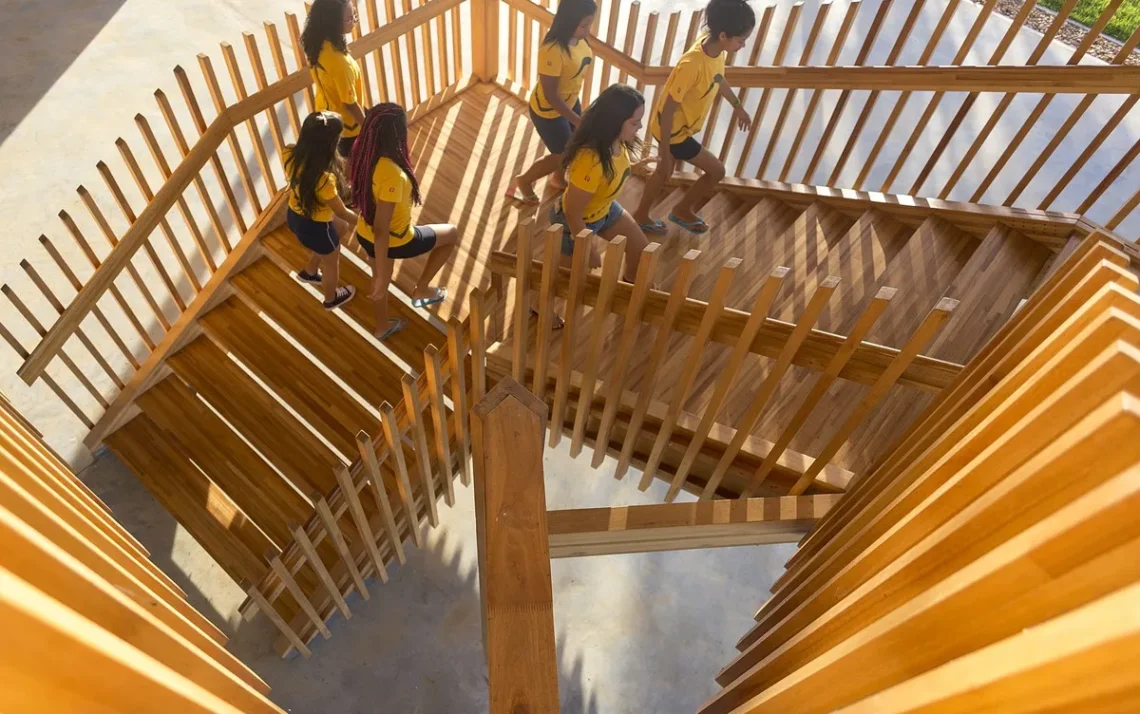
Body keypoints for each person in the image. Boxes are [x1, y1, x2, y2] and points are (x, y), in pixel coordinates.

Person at [633, 0, 755, 235]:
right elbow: (668, 110)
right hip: (673, 132)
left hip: (681, 129)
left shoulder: (714, 51)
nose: (743, 45)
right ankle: (675, 210)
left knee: (663, 173)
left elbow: (718, 78)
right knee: (715, 171)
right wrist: (665, 151)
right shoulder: (692, 64)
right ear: (723, 35)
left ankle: (651, 213)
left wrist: (738, 106)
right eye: (740, 40)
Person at [349, 104, 460, 341]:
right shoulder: (393, 175)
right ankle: (421, 289)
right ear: (396, 134)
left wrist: (380, 274)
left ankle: (381, 327)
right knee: (451, 234)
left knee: (379, 279)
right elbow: (382, 228)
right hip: (395, 240)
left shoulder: (362, 150)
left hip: (363, 232)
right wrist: (381, 275)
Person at [551, 84, 650, 285]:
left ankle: (630, 281)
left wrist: (636, 167)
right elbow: (572, 212)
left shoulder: (616, 141)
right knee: (564, 281)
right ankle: (538, 309)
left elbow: (612, 169)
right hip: (576, 223)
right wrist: (587, 248)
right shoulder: (590, 161)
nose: (640, 127)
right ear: (614, 123)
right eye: (635, 122)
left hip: (604, 210)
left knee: (640, 248)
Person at [506, 0, 597, 206]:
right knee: (562, 152)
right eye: (584, 25)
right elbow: (551, 95)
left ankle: (557, 179)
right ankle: (524, 181)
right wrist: (576, 118)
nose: (587, 31)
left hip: (570, 100)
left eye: (590, 25)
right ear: (568, 21)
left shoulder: (578, 38)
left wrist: (575, 115)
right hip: (548, 110)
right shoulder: (553, 49)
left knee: (572, 144)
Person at [283, 112, 360, 310]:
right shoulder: (325, 180)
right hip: (317, 227)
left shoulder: (289, 152)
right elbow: (342, 211)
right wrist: (367, 223)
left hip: (294, 215)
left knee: (340, 228)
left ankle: (309, 272)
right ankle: (330, 298)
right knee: (331, 264)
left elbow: (340, 218)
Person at [302, 0, 365, 159]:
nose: (354, 21)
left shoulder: (317, 43)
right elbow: (349, 103)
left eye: (354, 14)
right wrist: (367, 126)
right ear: (332, 22)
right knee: (350, 163)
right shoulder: (340, 64)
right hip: (346, 125)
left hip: (324, 110)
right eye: (349, 18)